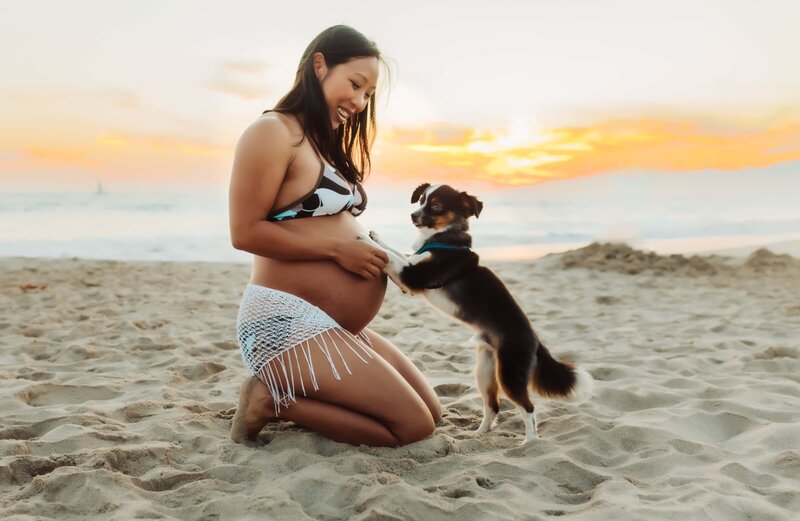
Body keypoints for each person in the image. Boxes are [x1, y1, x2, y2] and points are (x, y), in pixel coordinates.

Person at [228, 25, 442, 447]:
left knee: (432, 410)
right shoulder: (272, 132)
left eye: (368, 95)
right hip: (283, 326)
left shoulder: (321, 145)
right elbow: (245, 231)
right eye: (355, 85)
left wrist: (391, 261)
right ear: (319, 64)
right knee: (414, 428)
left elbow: (341, 228)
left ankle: (303, 394)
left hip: (332, 328)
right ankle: (270, 401)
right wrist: (337, 250)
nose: (360, 103)